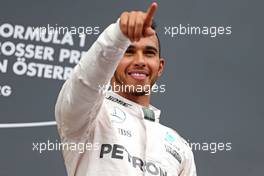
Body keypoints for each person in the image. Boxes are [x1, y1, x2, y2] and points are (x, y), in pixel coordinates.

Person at [55, 2, 197, 176]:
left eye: (149, 53)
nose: (140, 61)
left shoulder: (179, 146)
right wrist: (117, 35)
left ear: (160, 67)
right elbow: (85, 83)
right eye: (129, 52)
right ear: (113, 61)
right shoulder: (88, 117)